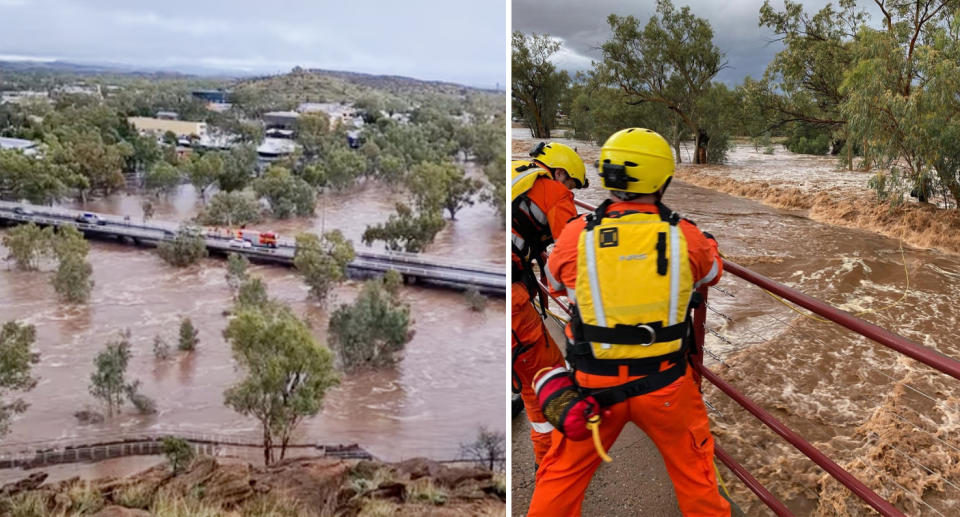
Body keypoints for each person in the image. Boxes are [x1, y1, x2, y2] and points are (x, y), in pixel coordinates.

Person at [528, 128, 728, 517]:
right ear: (663, 178)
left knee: (561, 477)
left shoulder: (576, 236)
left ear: (607, 175)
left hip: (593, 387)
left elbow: (553, 279)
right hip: (667, 386)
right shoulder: (685, 237)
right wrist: (709, 242)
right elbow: (711, 273)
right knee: (696, 474)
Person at [511, 141, 587, 468]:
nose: (568, 191)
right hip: (508, 300)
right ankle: (552, 464)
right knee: (546, 376)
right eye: (570, 183)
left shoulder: (515, 175)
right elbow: (572, 253)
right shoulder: (554, 192)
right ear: (558, 173)